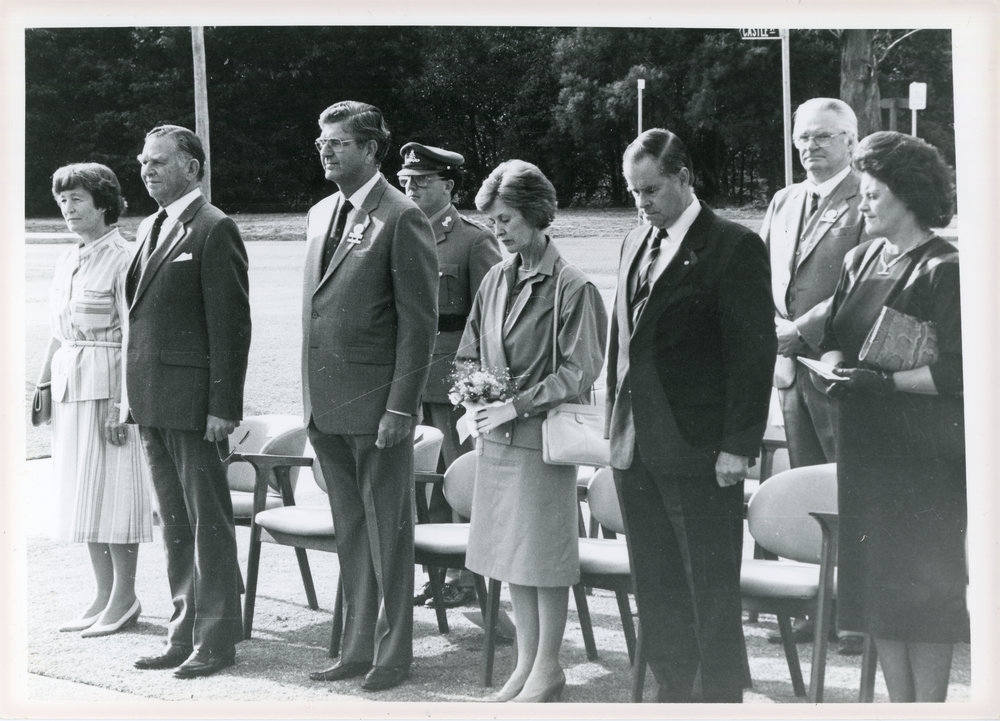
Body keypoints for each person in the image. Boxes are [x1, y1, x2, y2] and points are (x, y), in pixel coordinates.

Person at [606, 129, 775, 702]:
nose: (642, 202)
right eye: (633, 192)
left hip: (701, 448)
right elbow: (621, 349)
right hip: (635, 448)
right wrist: (614, 432)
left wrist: (738, 444)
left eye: (651, 189)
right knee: (656, 587)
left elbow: (754, 356)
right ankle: (672, 696)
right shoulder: (632, 243)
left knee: (710, 589)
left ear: (683, 177)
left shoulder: (732, 246)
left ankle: (720, 699)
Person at [817, 131, 967, 702]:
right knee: (879, 593)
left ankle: (927, 708)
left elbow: (959, 372)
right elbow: (832, 335)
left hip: (924, 462)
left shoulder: (944, 270)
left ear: (906, 196)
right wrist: (833, 366)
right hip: (867, 453)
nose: (862, 205)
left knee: (924, 599)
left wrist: (883, 382)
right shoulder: (859, 258)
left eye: (872, 195)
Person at [457, 159, 608, 703]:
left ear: (537, 214)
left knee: (543, 561)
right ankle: (524, 665)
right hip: (497, 439)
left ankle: (548, 668)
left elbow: (579, 369)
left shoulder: (573, 285)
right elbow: (470, 349)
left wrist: (513, 406)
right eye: (492, 221)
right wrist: (471, 396)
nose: (496, 231)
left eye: (505, 220)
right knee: (512, 559)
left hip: (542, 443)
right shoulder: (498, 276)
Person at [303, 101, 438, 692]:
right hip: (326, 407)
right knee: (351, 534)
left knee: (388, 533)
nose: (325, 151)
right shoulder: (318, 214)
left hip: (378, 409)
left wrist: (401, 408)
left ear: (370, 150)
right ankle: (355, 647)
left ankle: (393, 653)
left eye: (338, 143)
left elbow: (420, 325)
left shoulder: (401, 216)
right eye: (322, 142)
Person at [126, 125, 251, 679]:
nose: (147, 170)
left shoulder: (213, 227)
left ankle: (217, 640)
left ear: (192, 167)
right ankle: (183, 633)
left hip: (198, 407)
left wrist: (224, 406)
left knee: (207, 525)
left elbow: (231, 329)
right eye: (143, 162)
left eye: (158, 161)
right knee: (174, 525)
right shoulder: (151, 226)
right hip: (153, 402)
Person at [758, 97, 866, 655]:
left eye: (823, 137)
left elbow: (864, 285)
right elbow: (762, 272)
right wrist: (770, 326)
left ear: (850, 140)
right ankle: (817, 606)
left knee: (847, 488)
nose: (810, 148)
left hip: (840, 365)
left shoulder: (865, 199)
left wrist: (796, 329)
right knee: (806, 483)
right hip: (790, 372)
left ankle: (855, 612)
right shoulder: (784, 199)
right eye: (803, 138)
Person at [35, 163, 152, 637]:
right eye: (62, 200)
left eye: (77, 199)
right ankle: (102, 595)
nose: (67, 208)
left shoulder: (125, 257)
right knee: (83, 497)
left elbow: (133, 337)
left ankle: (125, 597)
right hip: (70, 389)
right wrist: (42, 385)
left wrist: (122, 407)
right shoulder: (69, 259)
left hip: (108, 391)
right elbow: (57, 332)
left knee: (115, 497)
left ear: (104, 202)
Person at [397, 141, 501, 610]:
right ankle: (434, 574)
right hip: (406, 380)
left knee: (456, 478)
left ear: (450, 187)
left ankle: (465, 573)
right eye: (407, 180)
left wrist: (477, 382)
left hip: (451, 381)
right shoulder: (399, 231)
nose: (412, 186)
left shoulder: (473, 242)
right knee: (420, 482)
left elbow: (495, 315)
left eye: (422, 180)